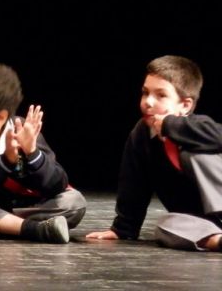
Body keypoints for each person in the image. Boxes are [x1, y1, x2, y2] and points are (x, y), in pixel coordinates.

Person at [86, 56, 222, 251]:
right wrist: (123, 229)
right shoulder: (142, 134)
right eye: (145, 93)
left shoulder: (199, 127)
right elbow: (134, 183)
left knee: (193, 154)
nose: (148, 101)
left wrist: (170, 125)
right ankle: (217, 241)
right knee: (166, 224)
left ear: (185, 105)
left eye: (161, 95)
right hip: (202, 224)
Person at [0, 63, 86, 243]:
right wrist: (5, 162)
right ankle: (32, 229)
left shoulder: (23, 131)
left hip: (17, 209)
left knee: (74, 202)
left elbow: (57, 184)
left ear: (0, 117)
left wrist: (32, 153)